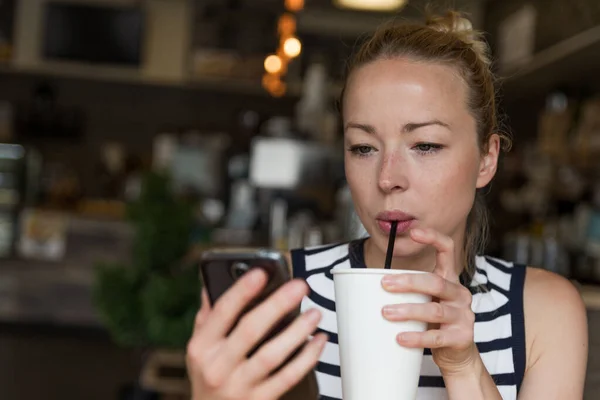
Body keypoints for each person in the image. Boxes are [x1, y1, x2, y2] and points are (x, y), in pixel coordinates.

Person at [186, 10, 588, 400]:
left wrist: (464, 368)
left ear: (487, 159)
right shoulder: (283, 298)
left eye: (425, 145)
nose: (387, 177)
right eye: (363, 148)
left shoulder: (542, 312)